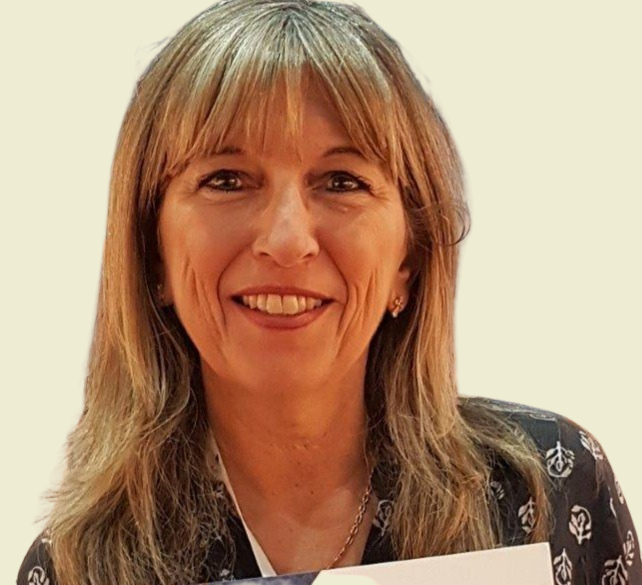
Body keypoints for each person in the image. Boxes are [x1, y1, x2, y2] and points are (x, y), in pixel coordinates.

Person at [16, 0, 640, 584]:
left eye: (341, 181)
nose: (287, 241)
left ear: (408, 261)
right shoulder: (77, 566)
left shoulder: (547, 491)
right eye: (227, 180)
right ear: (152, 252)